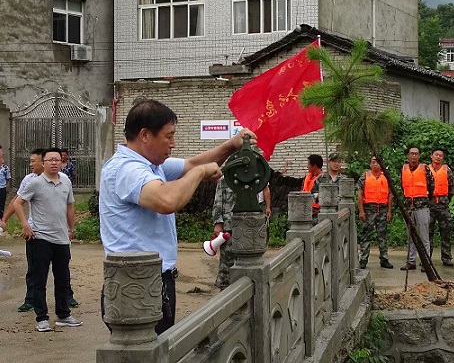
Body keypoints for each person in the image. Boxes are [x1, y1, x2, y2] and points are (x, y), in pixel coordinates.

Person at [99, 99, 255, 335]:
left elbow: (192, 164)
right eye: (168, 136)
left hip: (151, 279)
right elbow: (167, 201)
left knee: (158, 345)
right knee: (143, 348)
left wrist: (231, 145)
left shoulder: (152, 165)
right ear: (145, 135)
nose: (173, 143)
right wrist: (201, 172)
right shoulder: (127, 169)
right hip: (136, 283)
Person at [2, 149, 79, 312]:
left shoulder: (64, 180)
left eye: (33, 161)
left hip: (60, 234)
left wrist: (70, 228)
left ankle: (67, 300)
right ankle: (32, 302)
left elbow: (70, 206)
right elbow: (16, 202)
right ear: (44, 163)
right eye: (30, 161)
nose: (31, 164)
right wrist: (10, 221)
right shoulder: (30, 181)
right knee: (36, 272)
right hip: (36, 234)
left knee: (62, 272)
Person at [212, 174, 271, 289]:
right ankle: (225, 288)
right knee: (227, 260)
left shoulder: (253, 177)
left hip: (248, 225)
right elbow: (218, 201)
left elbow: (264, 189)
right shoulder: (225, 179)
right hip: (229, 225)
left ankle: (247, 287)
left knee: (249, 260)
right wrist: (218, 223)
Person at [357, 155, 393, 270]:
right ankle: (363, 259)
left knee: (382, 235)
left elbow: (390, 195)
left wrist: (389, 211)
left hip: (382, 209)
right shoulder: (364, 176)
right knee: (366, 235)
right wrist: (361, 211)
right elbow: (359, 195)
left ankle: (384, 259)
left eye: (378, 162)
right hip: (369, 209)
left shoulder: (386, 177)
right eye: (373, 162)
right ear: (370, 164)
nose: (376, 164)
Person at [400, 145, 432, 271]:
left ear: (419, 156)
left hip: (422, 207)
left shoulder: (425, 168)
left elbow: (431, 186)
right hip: (408, 207)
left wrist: (424, 200)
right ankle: (410, 261)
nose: (414, 156)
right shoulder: (403, 169)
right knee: (410, 237)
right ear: (408, 155)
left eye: (416, 154)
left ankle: (426, 263)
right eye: (411, 153)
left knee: (424, 237)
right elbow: (402, 186)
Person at [427, 148, 454, 267]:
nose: (438, 157)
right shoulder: (426, 170)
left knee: (446, 232)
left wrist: (446, 199)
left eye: (440, 155)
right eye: (436, 155)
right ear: (431, 156)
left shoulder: (447, 170)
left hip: (443, 205)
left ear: (443, 158)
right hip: (429, 205)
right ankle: (427, 258)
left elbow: (452, 187)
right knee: (428, 233)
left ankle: (446, 257)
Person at [302, 154, 323, 219]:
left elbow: (322, 198)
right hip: (305, 209)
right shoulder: (308, 177)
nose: (307, 166)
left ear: (315, 166)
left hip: (317, 213)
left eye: (308, 164)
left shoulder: (323, 180)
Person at [0, 145, 11, 218]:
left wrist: (3, 185)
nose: (2, 153)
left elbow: (7, 178)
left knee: (1, 205)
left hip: (2, 189)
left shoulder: (5, 168)